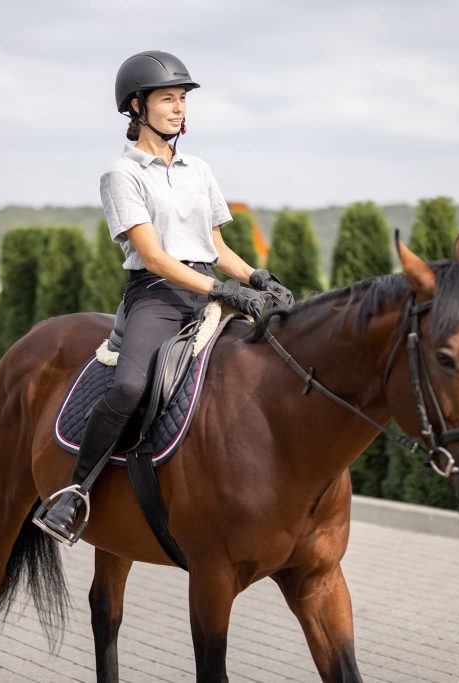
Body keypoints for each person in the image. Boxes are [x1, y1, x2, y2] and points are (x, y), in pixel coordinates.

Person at [33, 50, 294, 544]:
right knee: (130, 387)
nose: (179, 109)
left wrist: (259, 279)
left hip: (206, 286)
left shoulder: (199, 169)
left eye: (182, 100)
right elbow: (153, 256)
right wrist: (223, 289)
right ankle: (73, 493)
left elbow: (216, 247)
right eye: (168, 99)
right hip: (156, 295)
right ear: (136, 106)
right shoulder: (122, 174)